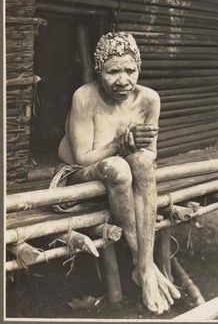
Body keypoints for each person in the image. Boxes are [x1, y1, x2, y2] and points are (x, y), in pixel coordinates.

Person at [56, 32, 180, 315]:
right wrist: (119, 144)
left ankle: (143, 269)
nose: (123, 80)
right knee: (118, 166)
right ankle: (145, 266)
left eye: (130, 70)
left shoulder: (149, 99)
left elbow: (149, 156)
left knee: (139, 165)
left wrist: (134, 148)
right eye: (113, 71)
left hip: (122, 174)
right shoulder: (85, 97)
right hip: (77, 174)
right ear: (100, 71)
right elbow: (81, 157)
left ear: (139, 67)